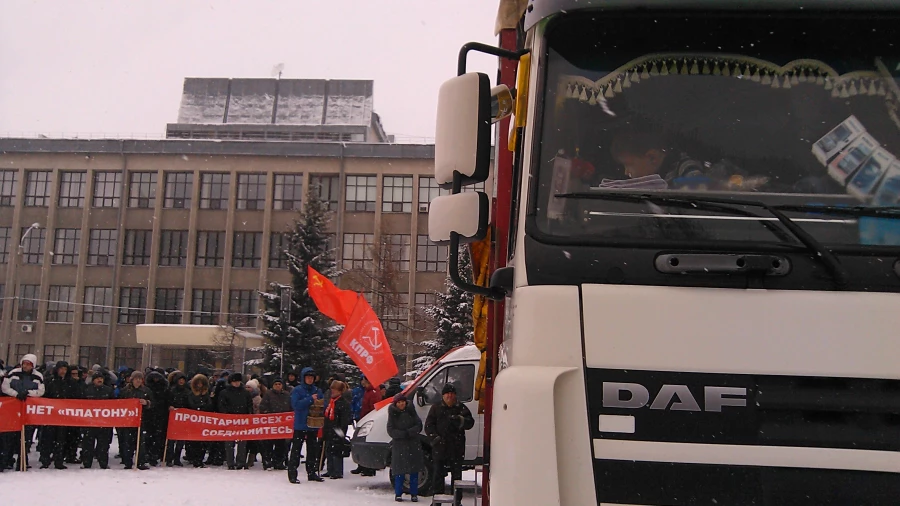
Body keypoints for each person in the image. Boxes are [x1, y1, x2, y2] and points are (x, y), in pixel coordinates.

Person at [424, 383, 475, 496]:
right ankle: (437, 501)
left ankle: (457, 501)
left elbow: (470, 422)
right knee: (438, 476)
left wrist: (460, 420)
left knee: (457, 477)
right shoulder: (435, 408)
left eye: (452, 394)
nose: (449, 396)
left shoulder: (460, 407)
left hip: (457, 448)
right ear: (443, 396)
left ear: (455, 395)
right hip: (440, 448)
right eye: (447, 394)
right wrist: (436, 439)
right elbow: (429, 426)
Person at [1, 353, 44, 470]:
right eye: (24, 364)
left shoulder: (38, 376)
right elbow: (5, 387)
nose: (26, 366)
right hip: (12, 410)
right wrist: (16, 394)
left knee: (25, 438)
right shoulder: (13, 373)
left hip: (27, 411)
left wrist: (28, 393)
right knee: (9, 437)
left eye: (28, 364)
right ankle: (6, 460)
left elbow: (41, 391)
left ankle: (22, 461)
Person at [287, 367, 324, 484]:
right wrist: (310, 400)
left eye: (312, 378)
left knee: (312, 450)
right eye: (308, 377)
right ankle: (292, 474)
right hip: (300, 424)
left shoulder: (318, 390)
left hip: (313, 424)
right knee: (296, 450)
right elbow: (296, 405)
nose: (310, 379)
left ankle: (311, 472)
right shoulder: (297, 390)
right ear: (303, 378)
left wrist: (320, 402)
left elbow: (323, 404)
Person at [387, 393, 425, 503]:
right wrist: (402, 434)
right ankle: (398, 493)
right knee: (399, 472)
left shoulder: (411, 411)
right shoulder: (392, 414)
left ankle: (414, 493)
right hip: (399, 445)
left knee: (414, 471)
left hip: (413, 444)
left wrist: (410, 432)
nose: (401, 404)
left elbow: (418, 425)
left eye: (402, 402)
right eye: (399, 402)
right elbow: (390, 429)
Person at [117, 371, 153, 470]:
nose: (138, 381)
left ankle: (140, 462)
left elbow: (153, 403)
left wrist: (146, 402)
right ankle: (127, 462)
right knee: (127, 442)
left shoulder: (146, 391)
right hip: (128, 420)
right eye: (136, 378)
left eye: (140, 379)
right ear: (132, 380)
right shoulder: (125, 391)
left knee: (140, 442)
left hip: (141, 420)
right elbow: (119, 404)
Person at [40, 361, 72, 469]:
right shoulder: (49, 382)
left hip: (63, 416)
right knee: (47, 438)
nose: (63, 371)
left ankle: (59, 461)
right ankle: (45, 460)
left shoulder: (70, 383)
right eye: (61, 369)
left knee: (61, 439)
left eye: (65, 369)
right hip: (50, 415)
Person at [218, 372, 254, 470]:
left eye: (238, 381)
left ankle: (240, 462)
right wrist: (226, 415)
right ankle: (230, 462)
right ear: (231, 382)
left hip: (242, 420)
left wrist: (249, 414)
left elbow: (249, 404)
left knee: (242, 443)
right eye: (234, 381)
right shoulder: (225, 393)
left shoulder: (245, 393)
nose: (237, 383)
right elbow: (221, 405)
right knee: (229, 443)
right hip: (229, 421)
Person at [80, 371, 114, 469]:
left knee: (103, 445)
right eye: (97, 378)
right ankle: (87, 463)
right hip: (89, 422)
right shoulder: (87, 390)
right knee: (88, 445)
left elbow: (115, 404)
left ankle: (103, 463)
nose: (100, 380)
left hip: (104, 422)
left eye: (101, 378)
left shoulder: (108, 390)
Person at [351, 375, 382, 476]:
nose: (362, 382)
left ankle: (368, 468)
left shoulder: (372, 392)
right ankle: (363, 466)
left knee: (367, 442)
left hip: (368, 420)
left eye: (364, 380)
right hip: (365, 418)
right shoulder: (369, 391)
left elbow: (372, 408)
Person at [259, 377, 292, 470]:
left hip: (282, 424)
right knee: (268, 444)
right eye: (276, 384)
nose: (278, 386)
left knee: (281, 444)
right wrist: (269, 414)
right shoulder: (268, 394)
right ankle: (267, 461)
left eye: (279, 384)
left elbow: (290, 407)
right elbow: (262, 406)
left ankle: (279, 462)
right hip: (271, 424)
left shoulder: (287, 395)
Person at [321, 380, 351, 480]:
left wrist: (340, 433)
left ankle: (337, 471)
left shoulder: (343, 403)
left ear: (340, 391)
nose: (332, 391)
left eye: (335, 389)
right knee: (328, 449)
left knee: (337, 450)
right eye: (332, 389)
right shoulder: (332, 402)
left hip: (337, 429)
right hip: (329, 429)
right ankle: (330, 469)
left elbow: (344, 420)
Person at [185, 373, 213, 467]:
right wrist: (200, 408)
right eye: (198, 383)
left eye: (202, 383)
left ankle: (199, 459)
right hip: (194, 421)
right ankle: (193, 458)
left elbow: (209, 405)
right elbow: (191, 405)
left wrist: (202, 408)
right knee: (194, 441)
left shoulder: (206, 394)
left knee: (203, 442)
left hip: (203, 421)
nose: (200, 385)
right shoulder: (191, 394)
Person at [144, 370, 170, 466]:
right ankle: (149, 454)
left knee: (158, 437)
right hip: (150, 416)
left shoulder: (164, 389)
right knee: (149, 437)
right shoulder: (147, 389)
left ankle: (154, 455)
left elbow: (167, 400)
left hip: (160, 416)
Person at [166, 371, 190, 467]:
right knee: (171, 440)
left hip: (183, 418)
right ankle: (169, 458)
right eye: (180, 380)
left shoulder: (187, 392)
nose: (181, 382)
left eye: (183, 380)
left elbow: (189, 403)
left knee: (181, 440)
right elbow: (167, 401)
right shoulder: (171, 390)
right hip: (173, 418)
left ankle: (177, 458)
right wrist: (170, 406)